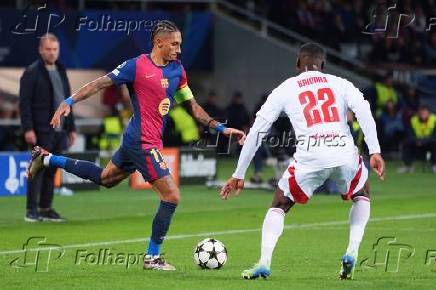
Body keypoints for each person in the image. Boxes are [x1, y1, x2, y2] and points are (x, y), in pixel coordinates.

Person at [27, 20, 245, 271]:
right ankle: (152, 258)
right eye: (174, 44)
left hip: (142, 140)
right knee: (172, 196)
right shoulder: (136, 66)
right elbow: (101, 82)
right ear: (159, 42)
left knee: (106, 178)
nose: (178, 49)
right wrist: (69, 101)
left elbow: (192, 107)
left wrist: (220, 127)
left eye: (180, 44)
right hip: (142, 141)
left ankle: (46, 159)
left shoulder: (177, 70)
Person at [220, 43, 385, 280]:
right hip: (344, 154)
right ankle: (352, 250)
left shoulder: (285, 88)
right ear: (323, 65)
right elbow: (364, 111)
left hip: (310, 157)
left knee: (279, 204)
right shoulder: (340, 83)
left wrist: (239, 173)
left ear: (298, 64)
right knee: (362, 193)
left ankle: (264, 261)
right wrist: (375, 150)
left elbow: (257, 130)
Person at [19, 33, 76, 222]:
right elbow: (24, 103)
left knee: (52, 170)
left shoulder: (61, 69)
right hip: (41, 129)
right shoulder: (32, 72)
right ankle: (31, 210)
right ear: (40, 50)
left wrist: (72, 127)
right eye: (48, 49)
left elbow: (68, 101)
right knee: (37, 169)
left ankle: (45, 208)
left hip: (60, 131)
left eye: (55, 49)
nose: (52, 53)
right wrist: (28, 128)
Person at [398, 105, 436, 173]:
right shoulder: (413, 120)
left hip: (429, 142)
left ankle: (434, 165)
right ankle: (408, 166)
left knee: (434, 143)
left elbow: (434, 135)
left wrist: (424, 141)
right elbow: (410, 133)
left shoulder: (434, 119)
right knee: (406, 143)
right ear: (419, 113)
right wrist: (417, 141)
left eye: (425, 113)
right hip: (417, 142)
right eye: (422, 113)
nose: (423, 115)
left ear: (429, 113)